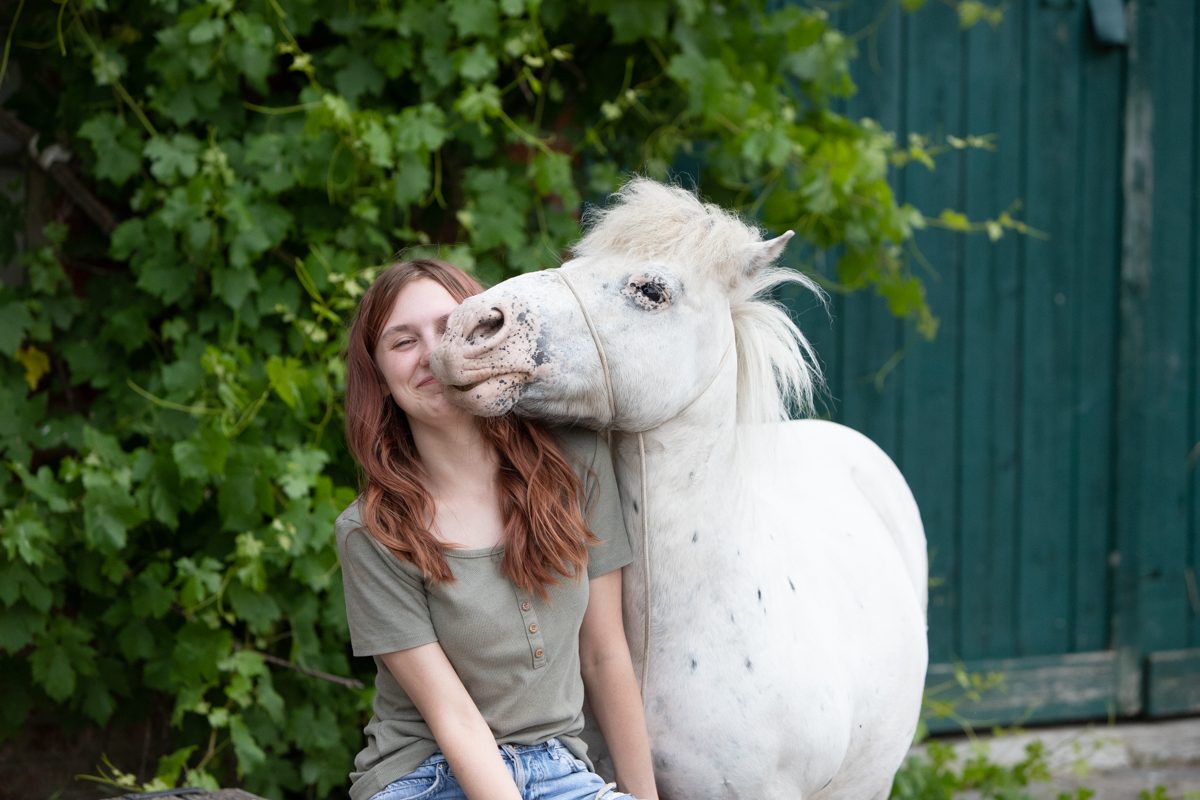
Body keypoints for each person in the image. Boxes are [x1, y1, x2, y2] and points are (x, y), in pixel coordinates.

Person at [336, 258, 659, 800]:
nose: (433, 354)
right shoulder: (374, 530)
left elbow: (604, 655)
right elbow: (453, 718)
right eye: (403, 342)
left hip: (559, 769)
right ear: (381, 380)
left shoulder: (576, 463)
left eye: (447, 326)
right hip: (425, 774)